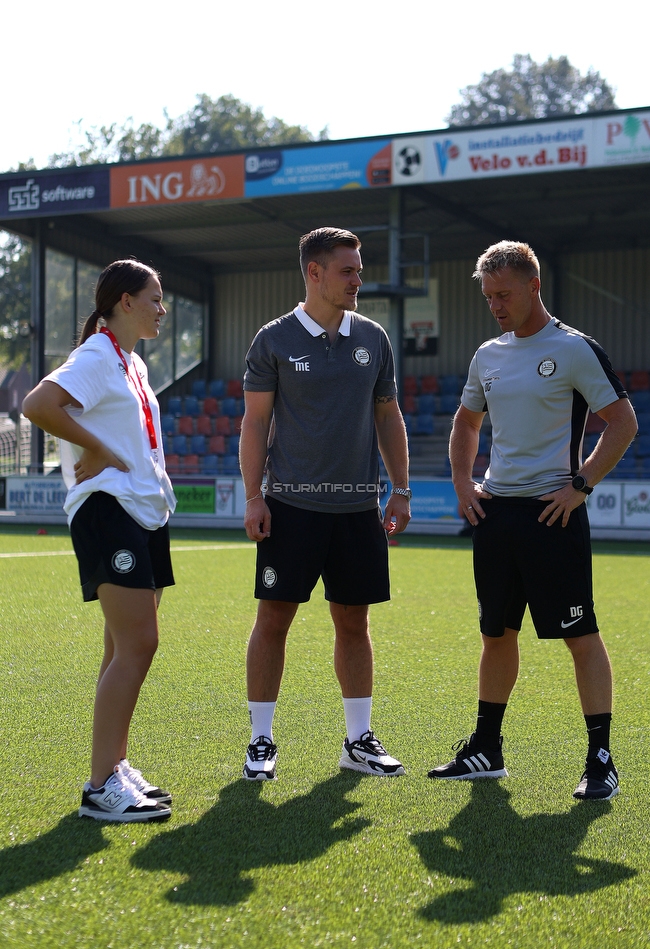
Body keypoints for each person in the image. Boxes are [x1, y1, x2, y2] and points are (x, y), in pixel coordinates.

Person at [428, 240, 637, 800]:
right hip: (497, 514)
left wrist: (581, 485)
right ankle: (486, 749)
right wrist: (461, 483)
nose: (494, 304)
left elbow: (622, 422)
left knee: (580, 636)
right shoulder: (487, 355)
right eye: (488, 295)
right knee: (496, 633)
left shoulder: (573, 349)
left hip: (553, 516)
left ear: (533, 287)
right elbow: (465, 423)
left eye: (503, 294)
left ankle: (600, 759)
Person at [240, 226, 411, 780]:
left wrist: (400, 487)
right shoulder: (273, 339)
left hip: (359, 510)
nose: (359, 279)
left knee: (354, 623)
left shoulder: (375, 338)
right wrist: (252, 497)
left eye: (359, 269)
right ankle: (261, 741)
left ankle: (358, 740)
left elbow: (388, 415)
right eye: (349, 270)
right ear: (314, 272)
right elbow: (255, 422)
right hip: (290, 507)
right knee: (273, 621)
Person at [23, 259, 176, 822]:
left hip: (141, 511)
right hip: (109, 512)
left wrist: (106, 447)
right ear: (125, 302)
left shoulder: (128, 360)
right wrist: (100, 450)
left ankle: (114, 765)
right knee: (139, 644)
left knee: (122, 647)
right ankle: (98, 788)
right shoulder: (96, 355)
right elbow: (38, 405)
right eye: (155, 298)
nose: (162, 309)